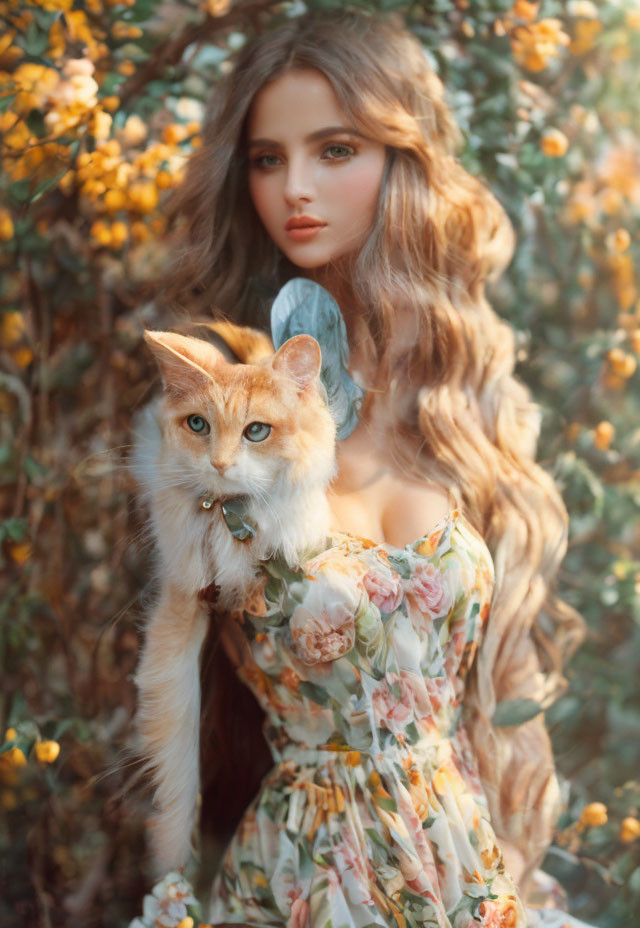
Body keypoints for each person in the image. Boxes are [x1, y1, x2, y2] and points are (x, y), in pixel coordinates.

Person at [141, 9, 590, 928]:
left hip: (468, 873)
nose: (295, 189)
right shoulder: (214, 412)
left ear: (401, 159)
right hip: (306, 879)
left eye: (335, 149)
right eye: (267, 159)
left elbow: (504, 686)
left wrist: (516, 862)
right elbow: (173, 661)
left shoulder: (460, 394)